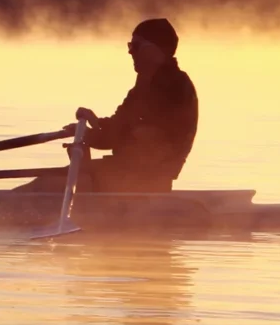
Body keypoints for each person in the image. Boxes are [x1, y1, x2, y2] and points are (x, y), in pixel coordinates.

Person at [74, 17, 199, 193]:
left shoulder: (174, 87)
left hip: (145, 179)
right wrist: (95, 123)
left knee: (55, 184)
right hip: (129, 173)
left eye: (136, 46)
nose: (130, 52)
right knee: (54, 180)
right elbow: (122, 124)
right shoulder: (145, 84)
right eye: (129, 46)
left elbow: (140, 136)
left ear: (154, 50)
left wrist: (90, 136)